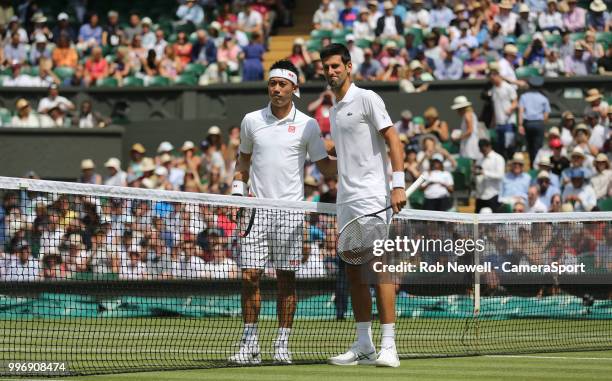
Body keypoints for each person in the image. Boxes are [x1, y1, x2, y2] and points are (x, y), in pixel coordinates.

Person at [229, 60, 336, 365]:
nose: (276, 89)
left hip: (290, 213)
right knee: (249, 277)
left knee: (286, 279)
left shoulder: (308, 125)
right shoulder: (251, 120)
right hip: (256, 211)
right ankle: (250, 344)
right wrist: (239, 191)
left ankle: (282, 344)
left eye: (282, 84)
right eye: (272, 84)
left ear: (294, 89)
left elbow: (325, 167)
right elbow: (243, 164)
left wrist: (356, 160)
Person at [321, 43, 406, 368]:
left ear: (348, 66)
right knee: (354, 272)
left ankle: (389, 346)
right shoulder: (333, 111)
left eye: (335, 66)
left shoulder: (367, 98)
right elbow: (336, 163)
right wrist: (314, 151)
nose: (331, 72)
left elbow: (393, 138)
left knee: (378, 268)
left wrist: (397, 184)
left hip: (372, 197)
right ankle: (364, 344)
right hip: (346, 200)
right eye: (326, 67)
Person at [518, 77, 551, 167]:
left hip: (528, 123)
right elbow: (546, 115)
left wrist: (520, 125)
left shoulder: (524, 97)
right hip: (539, 123)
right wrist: (542, 124)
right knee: (538, 147)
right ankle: (537, 165)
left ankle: (532, 164)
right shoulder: (544, 98)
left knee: (530, 146)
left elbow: (521, 111)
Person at [474, 139, 505, 213]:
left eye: (484, 149)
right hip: (480, 195)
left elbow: (500, 175)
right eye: (481, 149)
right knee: (477, 221)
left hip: (493, 195)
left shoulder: (498, 158)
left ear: (489, 146)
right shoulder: (479, 160)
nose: (482, 151)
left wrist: (484, 173)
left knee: (493, 221)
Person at [451, 95, 481, 160]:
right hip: (470, 141)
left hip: (469, 143)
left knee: (469, 159)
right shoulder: (471, 114)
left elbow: (470, 131)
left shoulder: (467, 115)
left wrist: (458, 138)